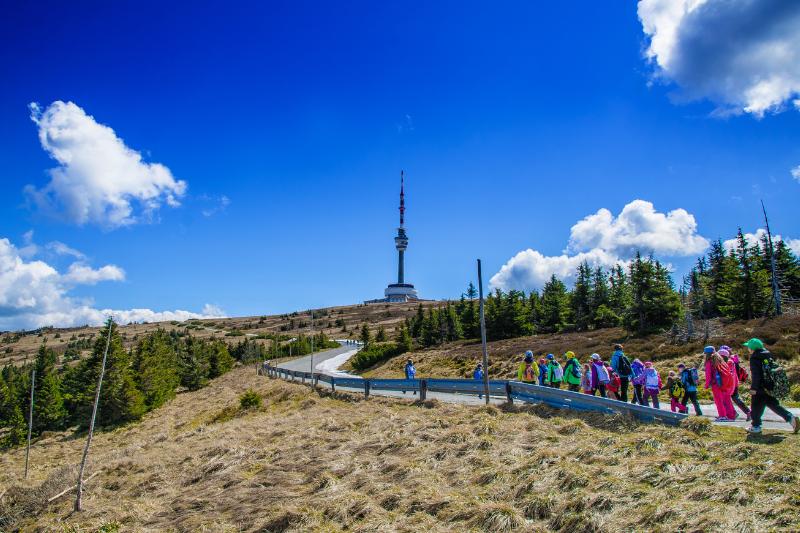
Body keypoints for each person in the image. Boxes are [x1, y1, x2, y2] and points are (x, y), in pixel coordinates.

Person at [744, 338, 799, 434]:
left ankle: (756, 426)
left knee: (756, 406)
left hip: (760, 387)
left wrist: (753, 388)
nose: (747, 348)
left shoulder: (755, 357)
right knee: (774, 405)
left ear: (752, 348)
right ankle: (791, 418)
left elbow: (756, 375)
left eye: (748, 347)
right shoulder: (767, 355)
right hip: (770, 385)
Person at [704, 346, 736, 421]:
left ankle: (722, 416)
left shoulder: (709, 361)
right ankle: (731, 416)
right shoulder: (720, 360)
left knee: (718, 400)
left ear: (707, 354)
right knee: (727, 399)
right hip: (725, 383)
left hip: (716, 384)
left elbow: (708, 374)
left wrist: (707, 385)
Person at [727, 350, 751, 421]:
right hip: (735, 382)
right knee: (735, 398)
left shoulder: (729, 361)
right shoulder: (735, 359)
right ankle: (748, 412)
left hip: (730, 383)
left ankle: (733, 413)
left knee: (727, 398)